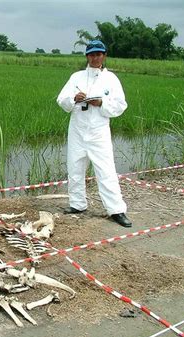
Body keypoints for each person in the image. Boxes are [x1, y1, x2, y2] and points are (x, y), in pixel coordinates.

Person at [56, 40, 132, 228]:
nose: (95, 57)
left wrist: (102, 103)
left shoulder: (111, 79)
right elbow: (61, 99)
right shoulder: (76, 77)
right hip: (77, 129)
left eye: (98, 54)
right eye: (91, 54)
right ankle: (77, 204)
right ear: (87, 56)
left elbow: (121, 105)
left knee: (106, 170)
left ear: (104, 56)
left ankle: (116, 210)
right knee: (75, 167)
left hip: (99, 131)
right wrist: (74, 98)